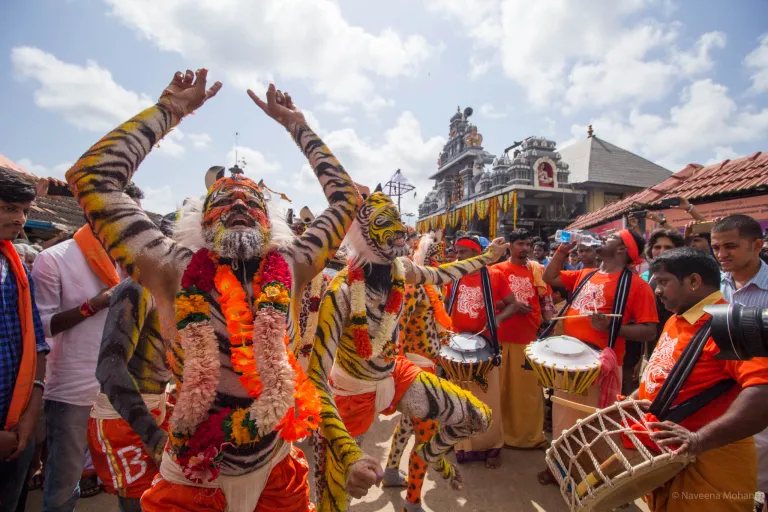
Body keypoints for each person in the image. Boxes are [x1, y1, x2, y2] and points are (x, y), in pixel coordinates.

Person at [66, 69, 367, 511]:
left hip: (275, 465)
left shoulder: (294, 265)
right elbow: (91, 177)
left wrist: (297, 125)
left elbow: (346, 199)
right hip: (192, 470)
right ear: (203, 221)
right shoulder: (170, 267)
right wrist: (170, 111)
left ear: (271, 223)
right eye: (224, 201)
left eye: (252, 202)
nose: (240, 206)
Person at [309, 213, 509, 512]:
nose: (399, 230)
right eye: (385, 226)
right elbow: (316, 378)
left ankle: (431, 456)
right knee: (336, 498)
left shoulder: (402, 271)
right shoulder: (341, 291)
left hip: (398, 373)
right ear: (365, 241)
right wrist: (350, 454)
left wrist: (488, 257)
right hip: (352, 392)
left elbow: (445, 274)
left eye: (398, 224)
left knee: (476, 416)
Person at [32, 186, 145, 511]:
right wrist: (91, 306)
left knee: (132, 478)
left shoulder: (135, 261)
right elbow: (41, 327)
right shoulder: (53, 259)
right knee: (64, 485)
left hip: (126, 389)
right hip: (72, 389)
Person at [634, 247, 768, 512]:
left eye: (663, 282)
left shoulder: (731, 325)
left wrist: (699, 440)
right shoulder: (676, 318)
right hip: (671, 455)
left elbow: (763, 391)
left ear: (694, 281)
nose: (657, 291)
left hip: (712, 458)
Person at [539, 229, 658, 485]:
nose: (603, 238)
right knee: (563, 417)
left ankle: (583, 475)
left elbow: (649, 330)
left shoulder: (638, 286)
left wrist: (611, 327)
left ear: (622, 249)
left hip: (598, 367)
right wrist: (562, 251)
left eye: (612, 237)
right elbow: (549, 276)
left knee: (588, 424)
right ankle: (558, 465)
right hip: (569, 359)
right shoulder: (586, 274)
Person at [381, 232, 452, 509]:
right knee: (426, 436)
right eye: (439, 257)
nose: (443, 262)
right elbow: (397, 325)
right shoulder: (414, 287)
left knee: (409, 425)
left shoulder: (433, 286)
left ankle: (390, 472)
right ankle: (412, 502)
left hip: (427, 364)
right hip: (417, 368)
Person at [443, 234, 520, 469]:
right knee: (457, 399)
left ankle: (491, 445)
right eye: (456, 252)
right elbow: (446, 306)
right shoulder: (454, 275)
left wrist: (498, 319)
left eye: (463, 252)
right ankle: (459, 444)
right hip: (456, 348)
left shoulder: (495, 275)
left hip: (485, 347)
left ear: (477, 254)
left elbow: (513, 304)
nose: (458, 256)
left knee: (487, 400)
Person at [0, 167, 49, 512]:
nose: (19, 219)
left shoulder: (15, 266)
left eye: (25, 211)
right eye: (8, 208)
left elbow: (37, 344)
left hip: (17, 425)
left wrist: (30, 417)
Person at [711, 215, 768, 503]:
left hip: (760, 398)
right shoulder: (711, 285)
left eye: (730, 246)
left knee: (759, 479)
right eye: (716, 247)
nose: (722, 255)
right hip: (719, 395)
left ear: (757, 245)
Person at [492, 229, 549, 449]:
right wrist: (512, 306)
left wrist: (548, 326)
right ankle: (499, 436)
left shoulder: (537, 270)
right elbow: (489, 301)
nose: (524, 249)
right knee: (501, 392)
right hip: (501, 338)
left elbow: (545, 302)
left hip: (529, 339)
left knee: (529, 394)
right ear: (510, 246)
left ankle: (530, 437)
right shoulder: (496, 270)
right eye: (520, 244)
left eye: (527, 244)